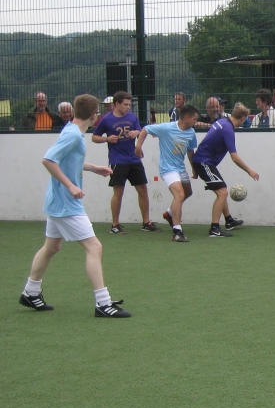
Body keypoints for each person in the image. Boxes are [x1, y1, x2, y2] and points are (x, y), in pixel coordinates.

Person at [18, 94, 132, 318]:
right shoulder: (73, 135)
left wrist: (93, 168)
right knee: (94, 247)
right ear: (94, 116)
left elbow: (67, 160)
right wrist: (70, 185)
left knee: (52, 247)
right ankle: (103, 304)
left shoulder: (72, 130)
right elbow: (48, 160)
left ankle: (30, 292)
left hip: (57, 201)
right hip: (66, 204)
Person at [91, 90, 160, 233]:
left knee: (142, 188)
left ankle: (146, 222)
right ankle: (115, 225)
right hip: (118, 160)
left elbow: (141, 131)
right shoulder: (106, 119)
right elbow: (94, 137)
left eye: (129, 104)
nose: (128, 107)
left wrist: (137, 133)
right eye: (125, 104)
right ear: (116, 104)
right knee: (119, 191)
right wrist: (107, 139)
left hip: (133, 158)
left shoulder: (132, 117)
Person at [192, 102, 260, 237]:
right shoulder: (228, 129)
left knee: (221, 190)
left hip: (203, 161)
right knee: (222, 192)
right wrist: (249, 170)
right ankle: (214, 229)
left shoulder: (222, 122)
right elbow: (234, 157)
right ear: (242, 118)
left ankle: (228, 220)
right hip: (204, 162)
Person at [135, 105, 200, 242]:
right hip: (167, 169)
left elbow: (190, 151)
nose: (196, 122)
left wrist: (194, 168)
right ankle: (177, 231)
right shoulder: (167, 128)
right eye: (194, 119)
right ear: (186, 117)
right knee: (179, 195)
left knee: (187, 193)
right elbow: (146, 129)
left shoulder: (191, 132)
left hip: (180, 168)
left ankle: (169, 213)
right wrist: (138, 147)